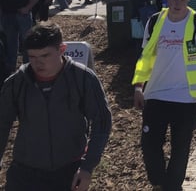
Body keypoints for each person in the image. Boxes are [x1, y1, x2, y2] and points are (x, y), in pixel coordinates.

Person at [132, 0, 196, 191]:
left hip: (187, 98)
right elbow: (146, 57)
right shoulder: (154, 22)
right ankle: (159, 182)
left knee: (181, 148)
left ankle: (172, 186)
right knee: (150, 145)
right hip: (156, 95)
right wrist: (138, 86)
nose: (177, 1)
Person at [0, 23, 112, 191]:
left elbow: (102, 122)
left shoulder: (82, 79)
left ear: (62, 49)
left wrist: (87, 167)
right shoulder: (16, 83)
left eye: (45, 56)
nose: (38, 63)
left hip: (68, 169)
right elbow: (2, 123)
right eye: (32, 57)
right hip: (25, 171)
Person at [0, 0, 43, 73]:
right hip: (8, 14)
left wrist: (28, 7)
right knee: (10, 42)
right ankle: (10, 69)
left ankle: (27, 66)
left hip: (22, 14)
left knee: (26, 41)